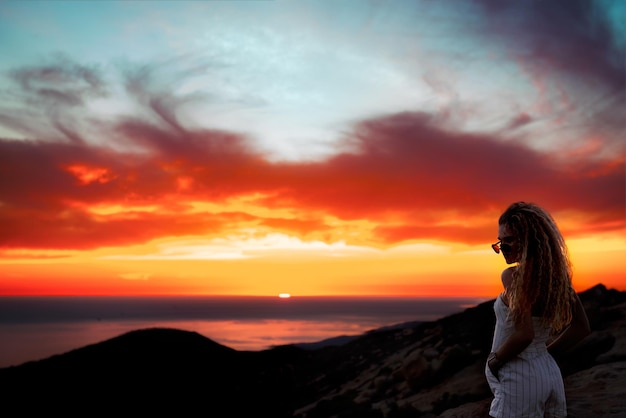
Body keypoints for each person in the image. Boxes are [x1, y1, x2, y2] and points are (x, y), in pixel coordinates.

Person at [485, 202, 590, 418]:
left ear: (529, 240)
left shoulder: (511, 277)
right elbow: (581, 327)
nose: (502, 249)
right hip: (549, 373)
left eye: (509, 241)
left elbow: (525, 334)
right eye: (500, 243)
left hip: (519, 375)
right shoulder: (556, 280)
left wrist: (494, 361)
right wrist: (543, 354)